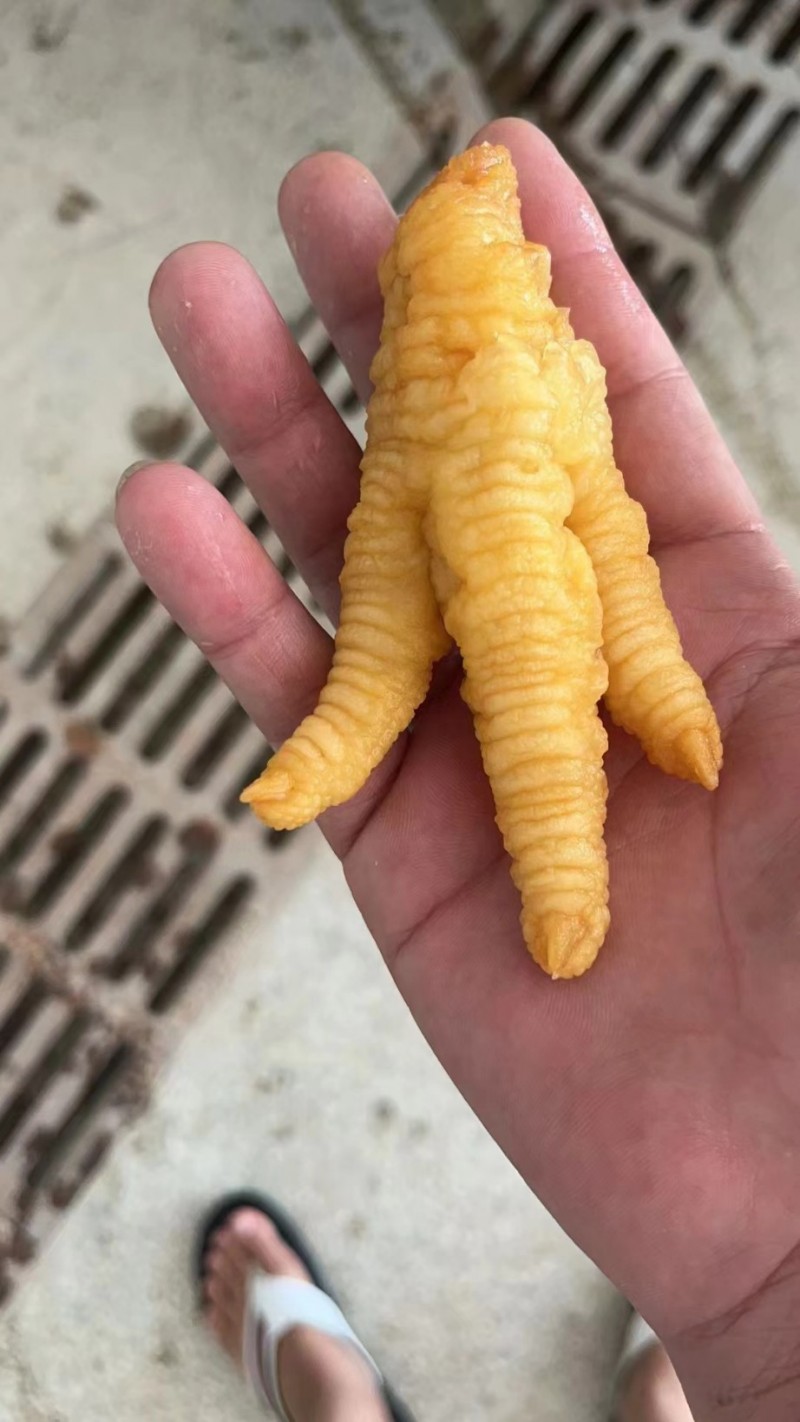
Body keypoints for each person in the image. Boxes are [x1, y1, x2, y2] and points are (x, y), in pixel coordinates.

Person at [116, 116, 800, 1420]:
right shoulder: (494, 393)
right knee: (389, 676)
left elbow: (608, 569)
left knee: (497, 666)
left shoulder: (548, 382)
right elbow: (408, 629)